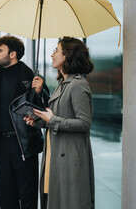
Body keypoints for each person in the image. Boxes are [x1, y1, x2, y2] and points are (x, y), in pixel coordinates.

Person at [0, 35, 49, 209]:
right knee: (6, 199)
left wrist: (39, 91)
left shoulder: (31, 78)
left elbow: (44, 110)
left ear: (12, 54)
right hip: (0, 147)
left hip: (23, 146)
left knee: (28, 199)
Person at [25, 37, 95, 209]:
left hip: (69, 157)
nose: (52, 54)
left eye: (56, 51)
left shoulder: (78, 85)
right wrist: (38, 121)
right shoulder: (63, 84)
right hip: (56, 154)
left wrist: (52, 120)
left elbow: (84, 123)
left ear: (67, 55)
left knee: (69, 202)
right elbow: (57, 114)